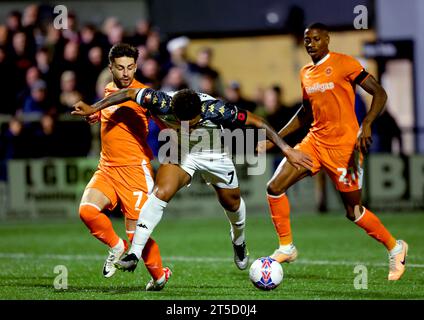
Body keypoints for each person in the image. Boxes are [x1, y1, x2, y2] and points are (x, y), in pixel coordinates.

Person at [72, 86, 313, 274]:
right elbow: (126, 93)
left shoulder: (215, 109)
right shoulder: (160, 101)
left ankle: (238, 240)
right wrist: (95, 108)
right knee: (160, 193)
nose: (193, 123)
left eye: (196, 120)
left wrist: (286, 149)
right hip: (180, 151)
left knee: (231, 203)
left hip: (213, 153)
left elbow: (257, 121)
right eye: (187, 120)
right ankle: (134, 252)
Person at [259, 23, 408, 281]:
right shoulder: (306, 72)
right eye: (307, 40)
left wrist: (367, 123)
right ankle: (287, 247)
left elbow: (379, 93)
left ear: (327, 39)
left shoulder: (345, 63)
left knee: (354, 212)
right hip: (314, 143)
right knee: (274, 187)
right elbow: (305, 113)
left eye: (316, 39)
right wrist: (277, 138)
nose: (311, 44)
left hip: (344, 149)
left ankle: (396, 248)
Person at [77, 43, 170, 291]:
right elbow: (105, 116)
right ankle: (116, 247)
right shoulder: (108, 89)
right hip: (106, 168)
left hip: (135, 171)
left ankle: (160, 276)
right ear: (111, 68)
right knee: (87, 211)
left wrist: (178, 142)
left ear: (136, 67)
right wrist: (93, 116)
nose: (126, 73)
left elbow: (164, 123)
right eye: (120, 68)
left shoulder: (145, 94)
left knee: (137, 234)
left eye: (130, 67)